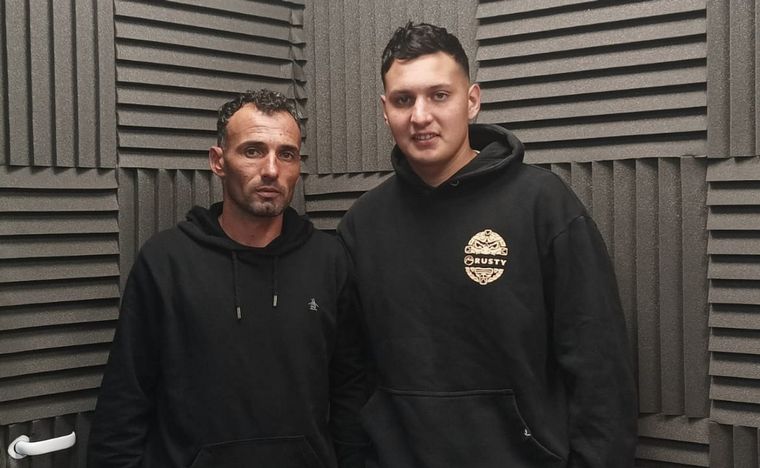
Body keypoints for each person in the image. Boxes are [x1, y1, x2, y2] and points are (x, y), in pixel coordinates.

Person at [338, 22, 637, 468]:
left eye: (439, 95)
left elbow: (600, 369)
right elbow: (350, 375)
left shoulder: (542, 204)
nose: (420, 116)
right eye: (404, 100)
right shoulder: (362, 225)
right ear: (385, 110)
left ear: (472, 100)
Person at [88, 89, 367, 468]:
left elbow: (351, 393)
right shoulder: (167, 261)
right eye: (252, 150)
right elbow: (125, 401)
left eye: (286, 154)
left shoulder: (329, 261)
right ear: (218, 161)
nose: (271, 169)